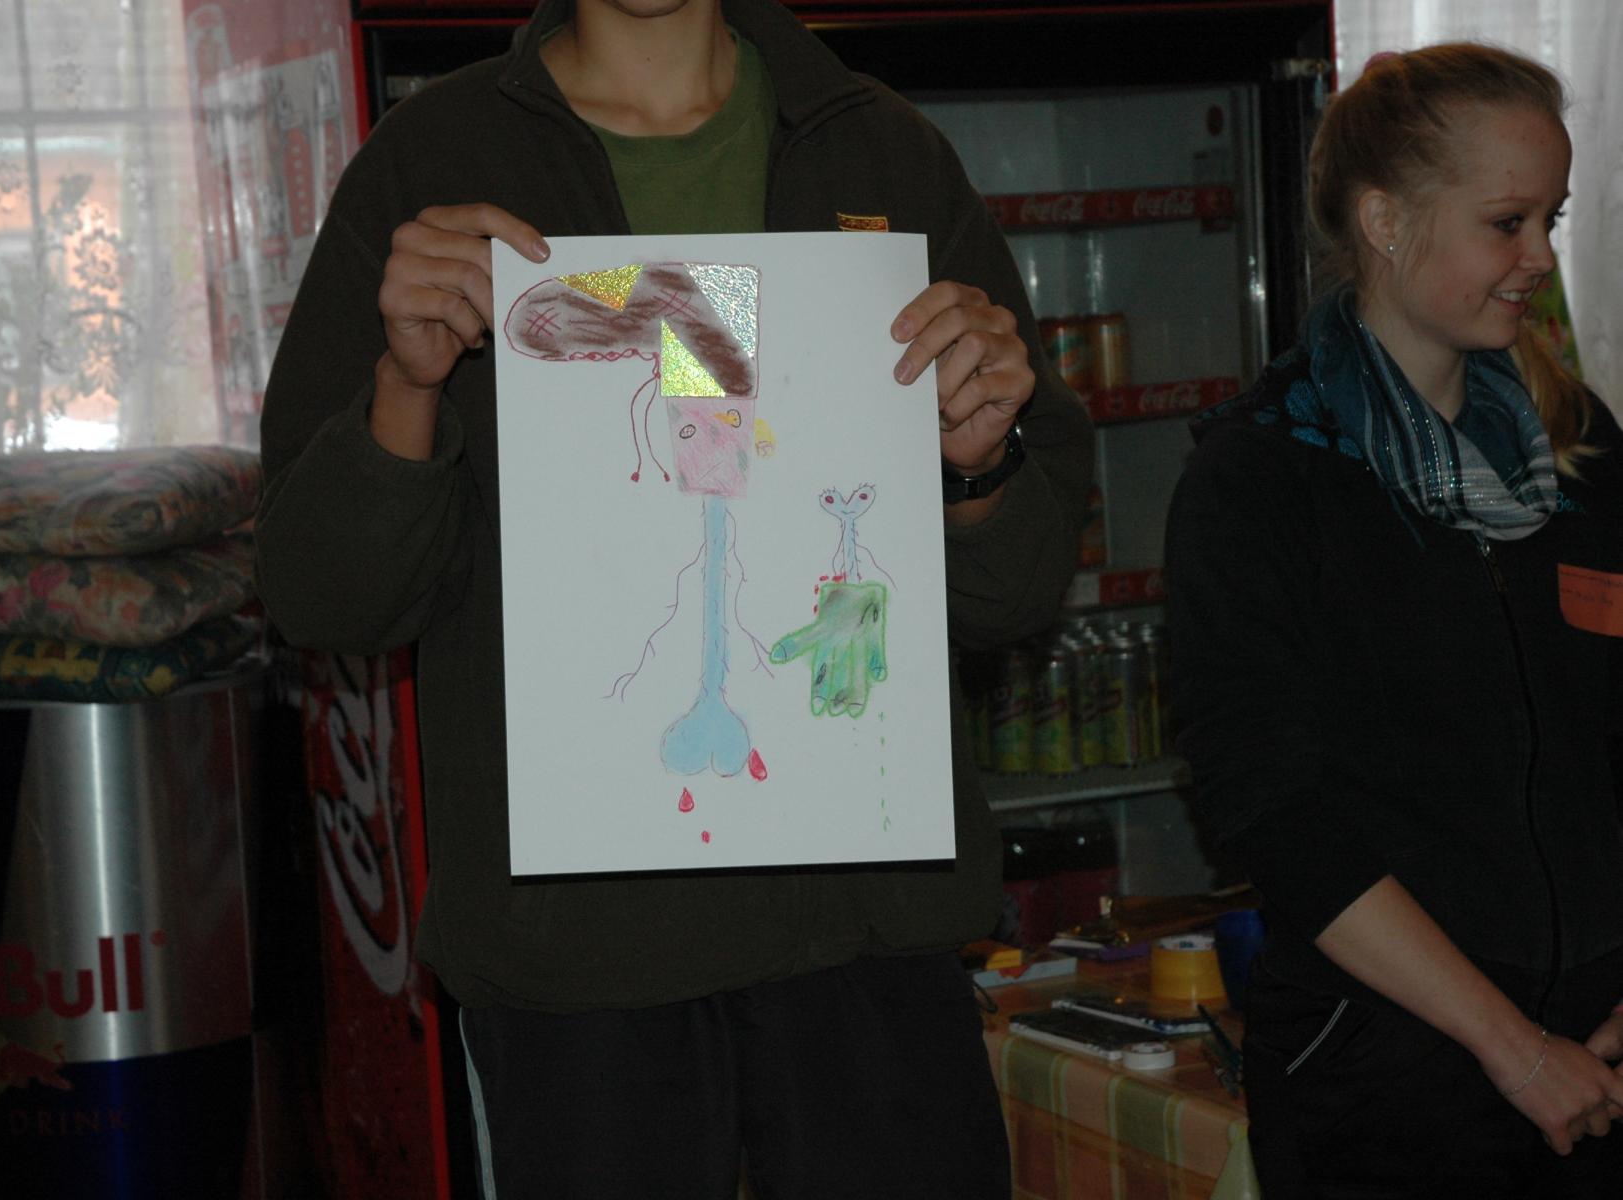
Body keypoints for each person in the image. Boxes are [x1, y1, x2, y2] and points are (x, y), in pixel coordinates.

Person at [254, 0, 1094, 1195]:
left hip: (866, 937)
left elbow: (1018, 590)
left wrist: (978, 460)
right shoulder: (435, 161)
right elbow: (325, 598)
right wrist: (406, 382)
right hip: (579, 969)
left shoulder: (877, 151)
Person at [1165, 43, 1623, 1199]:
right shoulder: (1262, 476)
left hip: (1602, 1053)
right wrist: (1512, 1048)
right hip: (1386, 1083)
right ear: (1383, 220)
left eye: (1551, 220)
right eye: (1507, 222)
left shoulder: (1578, 448)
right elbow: (1272, 812)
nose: (1539, 258)